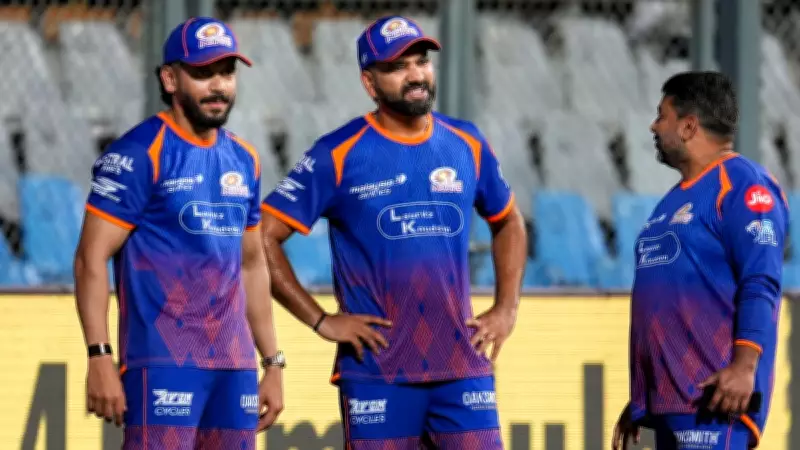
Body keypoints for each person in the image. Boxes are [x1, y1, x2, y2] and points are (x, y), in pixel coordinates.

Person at [260, 15, 527, 449]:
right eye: (398, 67)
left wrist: (507, 308)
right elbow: (261, 238)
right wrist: (320, 320)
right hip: (376, 372)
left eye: (421, 62)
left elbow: (509, 221)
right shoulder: (338, 153)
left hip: (462, 367)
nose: (416, 74)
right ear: (369, 82)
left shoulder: (467, 142)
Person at [73, 17, 284, 449]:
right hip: (162, 361)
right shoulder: (138, 153)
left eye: (226, 73)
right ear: (170, 79)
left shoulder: (245, 158)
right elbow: (90, 259)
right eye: (204, 74)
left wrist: (272, 362)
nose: (218, 86)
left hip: (234, 366)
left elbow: (251, 264)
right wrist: (99, 356)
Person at [612, 71, 788, 450]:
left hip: (715, 399)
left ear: (689, 126)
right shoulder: (672, 200)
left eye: (662, 116)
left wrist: (744, 367)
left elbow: (760, 282)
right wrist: (643, 397)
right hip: (672, 402)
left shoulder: (745, 185)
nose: (654, 126)